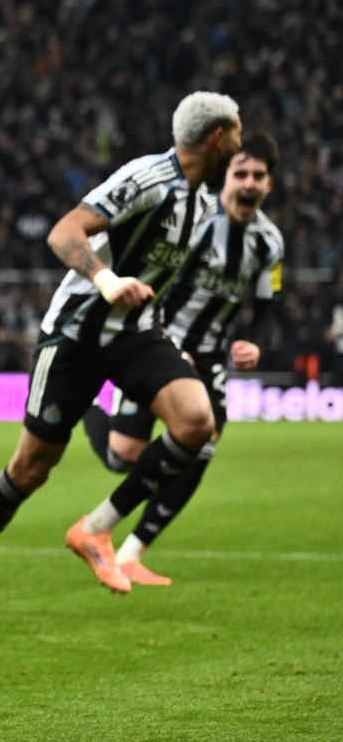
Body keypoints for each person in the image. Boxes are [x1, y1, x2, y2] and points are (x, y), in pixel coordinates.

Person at [0, 91, 242, 617]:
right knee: (32, 466)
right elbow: (65, 231)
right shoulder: (148, 178)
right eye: (237, 133)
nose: (241, 144)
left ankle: (97, 529)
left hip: (136, 334)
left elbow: (160, 279)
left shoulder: (203, 203)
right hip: (78, 332)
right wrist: (104, 279)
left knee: (197, 420)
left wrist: (177, 349)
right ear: (217, 137)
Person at [80, 133, 284, 584]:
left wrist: (256, 342)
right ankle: (88, 410)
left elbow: (269, 306)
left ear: (269, 183)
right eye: (241, 173)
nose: (249, 183)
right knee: (124, 457)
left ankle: (132, 552)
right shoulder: (195, 222)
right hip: (158, 340)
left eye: (259, 176)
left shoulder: (270, 244)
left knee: (200, 446)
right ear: (225, 175)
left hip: (209, 357)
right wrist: (169, 348)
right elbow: (158, 279)